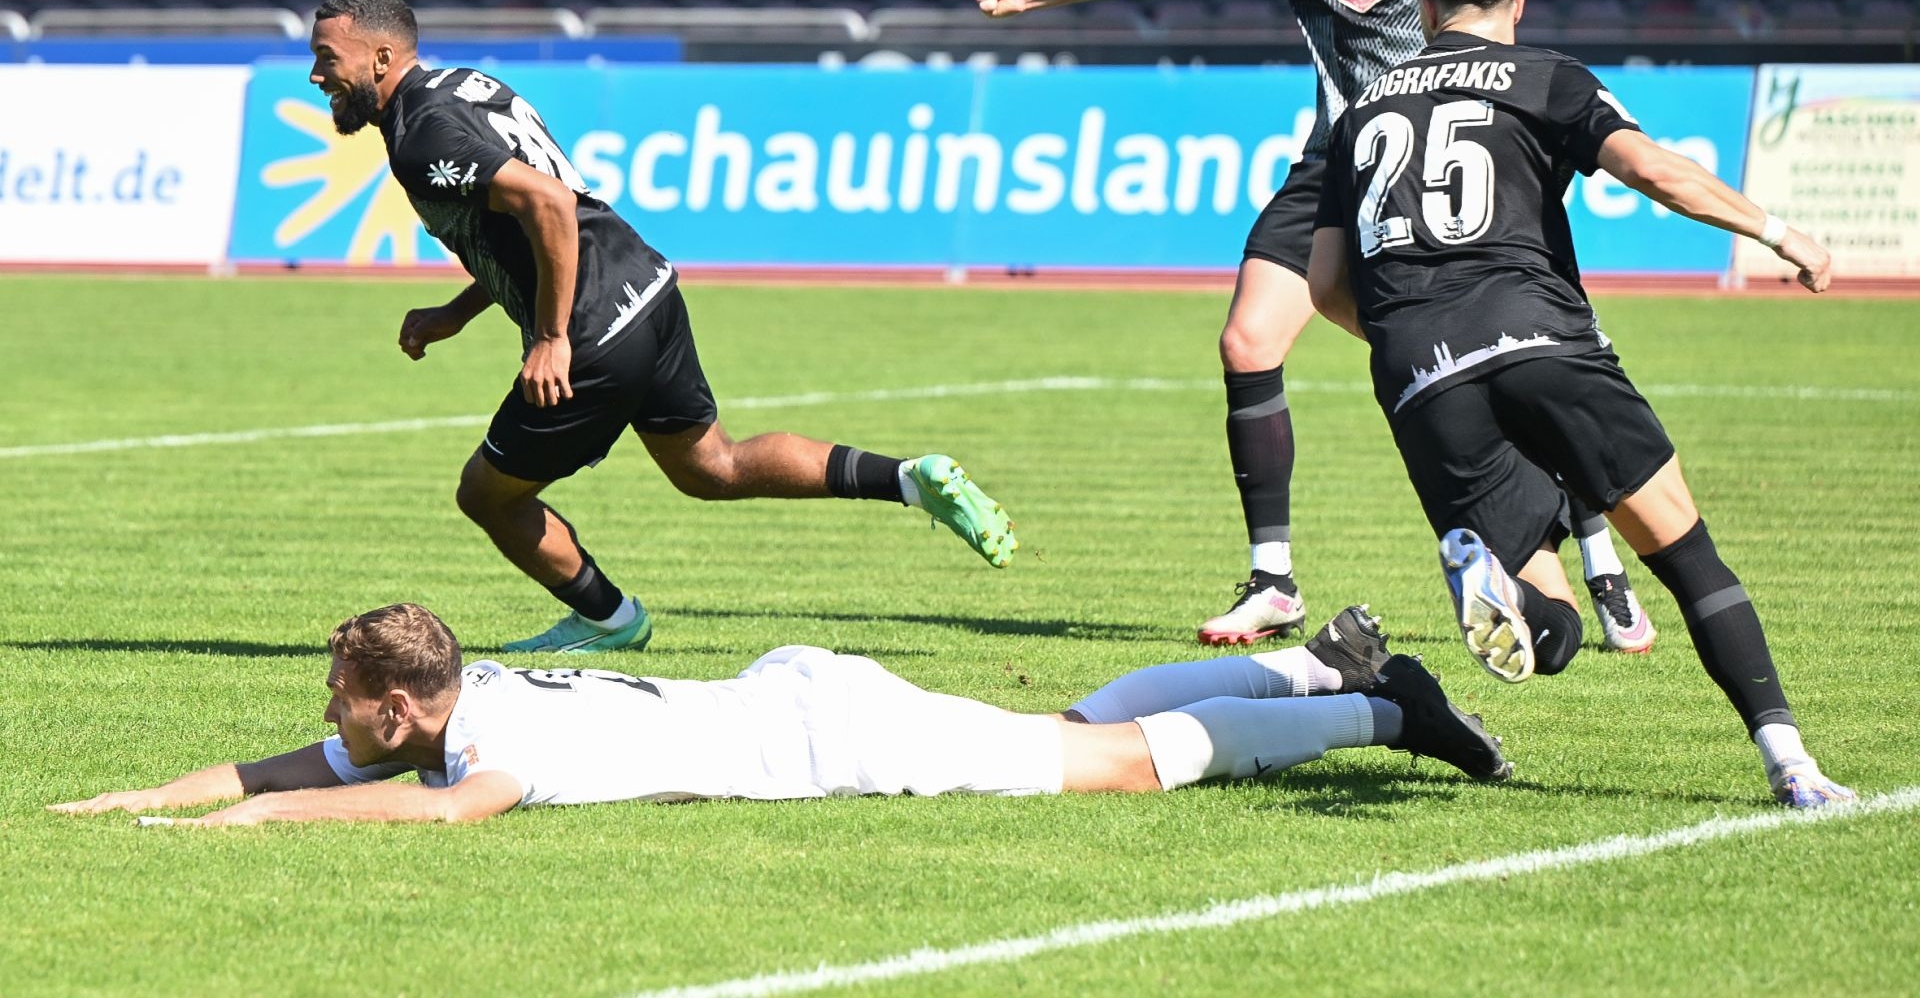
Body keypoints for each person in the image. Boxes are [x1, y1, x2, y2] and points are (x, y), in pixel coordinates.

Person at [972, 0, 1689, 652]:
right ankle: (1273, 582)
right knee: (1247, 340)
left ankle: (1595, 545)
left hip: (1440, 148)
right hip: (1340, 150)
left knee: (1515, 352)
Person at [1305, 0, 1851, 808]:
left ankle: (1513, 596)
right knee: (1688, 558)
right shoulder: (1544, 75)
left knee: (1550, 631)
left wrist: (1418, 343)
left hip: (1419, 373)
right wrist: (1780, 234)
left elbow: (1326, 285)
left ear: (1424, 8)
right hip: (1540, 338)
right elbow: (1655, 172)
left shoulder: (1361, 107)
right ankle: (1792, 765)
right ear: (1516, 1)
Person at [305, 0, 1017, 654]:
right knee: (711, 466)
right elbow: (530, 223)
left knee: (487, 495)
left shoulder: (421, 135)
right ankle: (910, 478)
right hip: (647, 287)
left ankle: (610, 620)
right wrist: (458, 311)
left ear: (382, 57)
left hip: (589, 329)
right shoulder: (465, 85)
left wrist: (552, 337)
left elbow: (549, 204)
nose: (316, 76)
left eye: (327, 58)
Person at [50, 601, 1509, 824]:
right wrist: (143, 802)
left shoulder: (487, 744)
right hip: (795, 690)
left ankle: (1385, 712)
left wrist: (260, 832)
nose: (325, 716)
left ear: (395, 707)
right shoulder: (456, 694)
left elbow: (426, 816)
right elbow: (280, 765)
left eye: (339, 700)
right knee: (1074, 724)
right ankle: (1314, 668)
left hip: (830, 737)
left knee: (1117, 767)